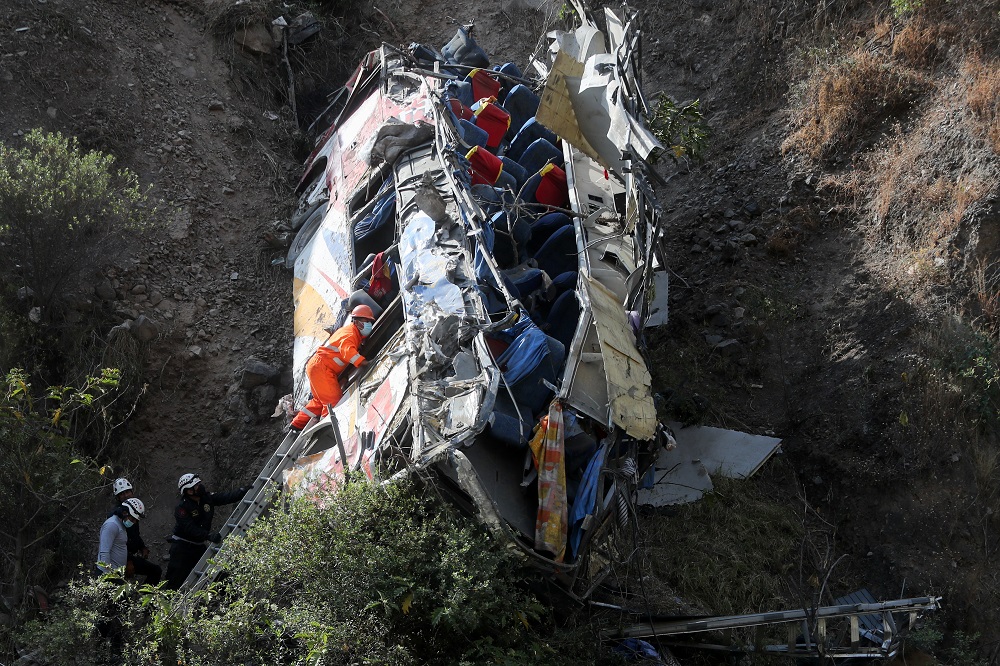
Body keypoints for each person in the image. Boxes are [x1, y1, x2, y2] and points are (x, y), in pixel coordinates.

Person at [289, 304, 375, 431]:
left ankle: (297, 425)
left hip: (319, 367)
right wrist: (366, 363)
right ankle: (325, 428)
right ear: (357, 322)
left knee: (319, 400)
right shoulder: (350, 335)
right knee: (333, 401)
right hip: (321, 368)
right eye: (366, 321)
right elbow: (349, 353)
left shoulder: (353, 334)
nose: (369, 324)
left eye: (370, 322)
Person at [165, 473, 248, 590]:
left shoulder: (206, 498)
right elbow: (189, 528)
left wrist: (242, 491)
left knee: (218, 573)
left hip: (198, 546)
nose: (201, 486)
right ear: (189, 491)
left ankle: (232, 600)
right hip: (182, 548)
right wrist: (207, 535)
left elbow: (225, 497)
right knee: (174, 581)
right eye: (197, 485)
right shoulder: (182, 508)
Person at [109, 477, 162, 585]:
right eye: (122, 494)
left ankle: (146, 599)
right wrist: (128, 561)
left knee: (155, 571)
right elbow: (116, 543)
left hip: (129, 556)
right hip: (117, 560)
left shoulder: (133, 509)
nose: (126, 495)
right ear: (118, 497)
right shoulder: (117, 515)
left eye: (127, 492)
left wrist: (142, 547)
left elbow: (134, 534)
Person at [96, 498, 145, 576]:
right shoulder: (112, 525)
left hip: (116, 573)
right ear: (125, 513)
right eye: (133, 519)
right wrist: (109, 575)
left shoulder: (120, 525)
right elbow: (104, 552)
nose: (134, 522)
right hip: (108, 574)